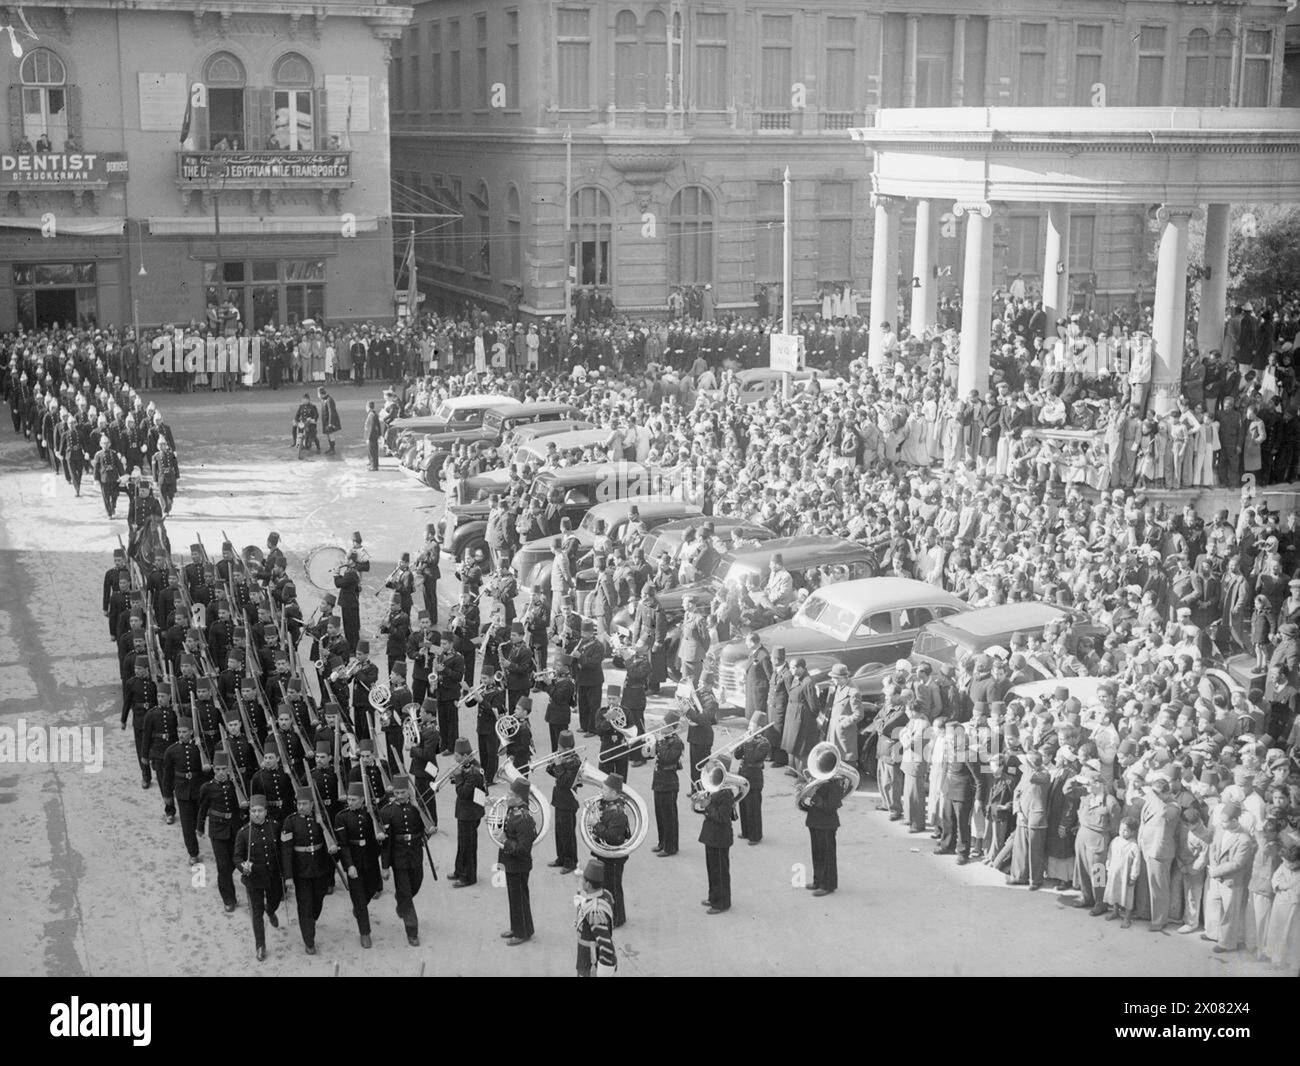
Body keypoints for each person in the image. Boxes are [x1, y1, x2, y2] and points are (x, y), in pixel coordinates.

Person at [279, 784, 335, 955]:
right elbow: (286, 850)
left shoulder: (321, 818)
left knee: (318, 899)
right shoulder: (290, 822)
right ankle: (309, 940)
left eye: (304, 804)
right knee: (304, 905)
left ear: (312, 804)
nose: (300, 807)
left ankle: (312, 919)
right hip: (300, 870)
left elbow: (330, 842)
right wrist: (288, 876)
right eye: (298, 804)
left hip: (319, 867)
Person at [378, 774, 428, 946]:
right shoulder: (387, 812)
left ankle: (401, 902)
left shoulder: (416, 808)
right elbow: (386, 844)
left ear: (409, 792)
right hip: (398, 858)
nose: (399, 796)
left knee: (416, 884)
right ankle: (412, 930)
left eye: (402, 792)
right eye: (397, 792)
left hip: (415, 854)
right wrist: (385, 867)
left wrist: (429, 828)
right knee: (406, 893)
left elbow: (426, 827)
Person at [234, 794, 283, 962]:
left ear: (266, 811)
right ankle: (260, 945)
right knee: (256, 913)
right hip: (253, 880)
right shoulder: (243, 833)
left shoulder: (275, 827)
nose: (256, 814)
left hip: (272, 877)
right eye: (253, 811)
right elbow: (237, 857)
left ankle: (271, 910)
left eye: (260, 811)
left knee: (275, 901)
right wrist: (243, 866)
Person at [196, 751, 246, 913]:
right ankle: (229, 898)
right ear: (213, 769)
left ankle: (226, 882)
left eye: (224, 769)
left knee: (234, 861)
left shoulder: (235, 785)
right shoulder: (207, 788)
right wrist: (200, 827)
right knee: (223, 867)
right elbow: (202, 809)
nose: (220, 773)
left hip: (235, 828)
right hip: (217, 831)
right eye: (217, 769)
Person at [335, 781, 382, 948]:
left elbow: (379, 835)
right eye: (349, 799)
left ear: (363, 800)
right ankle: (365, 932)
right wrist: (349, 866)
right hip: (353, 860)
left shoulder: (371, 813)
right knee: (359, 899)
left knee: (372, 888)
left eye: (354, 799)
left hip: (370, 859)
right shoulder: (341, 817)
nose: (350, 802)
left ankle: (359, 908)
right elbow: (343, 844)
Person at [499, 776, 538, 946]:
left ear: (520, 798)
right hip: (511, 863)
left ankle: (522, 933)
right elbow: (509, 828)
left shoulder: (524, 818)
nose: (508, 797)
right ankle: (519, 927)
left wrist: (505, 841)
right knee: (515, 898)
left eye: (511, 795)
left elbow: (523, 848)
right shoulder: (513, 809)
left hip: (518, 865)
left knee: (519, 899)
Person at [589, 774, 632, 927]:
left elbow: (613, 837)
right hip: (606, 854)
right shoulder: (608, 804)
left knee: (613, 887)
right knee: (607, 886)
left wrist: (595, 825)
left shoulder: (617, 812)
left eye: (605, 789)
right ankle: (611, 914)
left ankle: (617, 918)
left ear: (614, 793)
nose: (602, 791)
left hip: (613, 856)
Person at [698, 755, 736, 913]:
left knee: (720, 871)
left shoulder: (726, 793)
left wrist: (707, 806)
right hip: (712, 835)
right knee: (712, 869)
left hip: (720, 836)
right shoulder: (715, 788)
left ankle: (721, 903)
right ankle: (713, 896)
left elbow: (722, 817)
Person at [800, 763, 844, 897]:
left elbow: (830, 807)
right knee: (817, 853)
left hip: (827, 824)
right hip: (814, 821)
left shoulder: (836, 784)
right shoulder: (818, 781)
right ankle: (818, 881)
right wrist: (803, 795)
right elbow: (813, 804)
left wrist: (814, 796)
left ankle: (828, 885)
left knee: (827, 855)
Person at [450, 739, 486, 887]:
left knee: (468, 846)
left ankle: (468, 877)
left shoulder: (473, 772)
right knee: (462, 843)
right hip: (466, 811)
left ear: (465, 755)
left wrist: (458, 777)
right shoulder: (469, 766)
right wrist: (458, 776)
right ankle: (459, 870)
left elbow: (463, 793)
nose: (455, 758)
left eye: (457, 756)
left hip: (469, 813)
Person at [574, 858, 617, 977]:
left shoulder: (595, 912)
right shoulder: (606, 894)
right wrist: (582, 903)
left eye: (583, 880)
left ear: (588, 884)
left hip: (590, 964)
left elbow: (607, 949)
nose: (581, 881)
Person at [546, 730, 580, 873]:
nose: (557, 749)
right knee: (559, 831)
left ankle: (570, 862)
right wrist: (552, 765)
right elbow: (552, 773)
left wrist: (559, 765)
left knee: (568, 833)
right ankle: (561, 857)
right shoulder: (563, 758)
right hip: (559, 799)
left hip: (568, 800)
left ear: (567, 748)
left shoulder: (574, 761)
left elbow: (565, 782)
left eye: (559, 747)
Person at [735, 713, 770, 844]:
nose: (749, 728)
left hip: (754, 778)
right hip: (742, 775)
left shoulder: (764, 743)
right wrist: (741, 743)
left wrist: (748, 743)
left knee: (753, 808)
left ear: (760, 727)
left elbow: (753, 758)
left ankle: (755, 836)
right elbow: (737, 755)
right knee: (743, 805)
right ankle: (745, 832)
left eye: (752, 726)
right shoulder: (748, 739)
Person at [1104, 816, 1142, 928]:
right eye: (1121, 829)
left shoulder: (1134, 846)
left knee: (1127, 896)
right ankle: (1115, 911)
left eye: (1125, 830)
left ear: (1133, 832)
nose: (1122, 832)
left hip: (1126, 876)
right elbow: (1109, 854)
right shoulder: (1115, 841)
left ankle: (1127, 917)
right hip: (1114, 874)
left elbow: (1136, 863)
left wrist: (1133, 877)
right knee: (1115, 892)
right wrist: (1108, 866)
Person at [317, 386, 341, 454]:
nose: (318, 396)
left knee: (331, 435)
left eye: (318, 394)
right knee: (328, 435)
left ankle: (333, 449)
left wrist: (330, 423)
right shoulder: (323, 399)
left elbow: (331, 412)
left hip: (329, 421)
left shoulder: (329, 400)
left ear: (320, 393)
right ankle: (331, 448)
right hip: (326, 421)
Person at [363, 400, 381, 471]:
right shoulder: (373, 414)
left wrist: (368, 437)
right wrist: (379, 434)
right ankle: (372, 462)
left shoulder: (372, 415)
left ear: (368, 407)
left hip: (372, 436)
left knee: (372, 451)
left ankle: (374, 466)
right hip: (373, 436)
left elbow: (372, 427)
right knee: (371, 451)